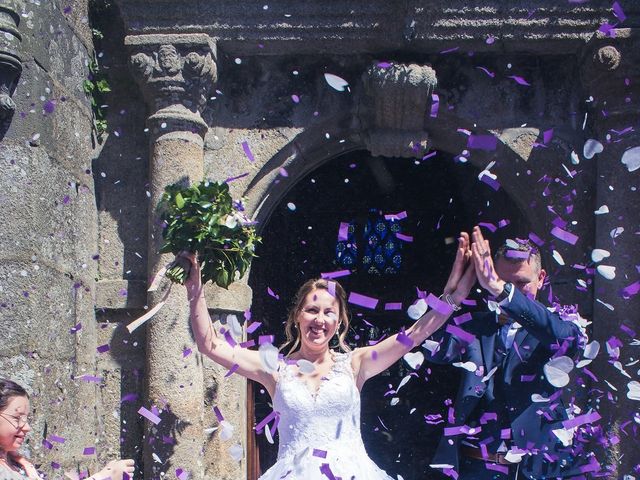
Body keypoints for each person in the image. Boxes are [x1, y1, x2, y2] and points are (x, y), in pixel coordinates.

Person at [182, 233, 477, 479]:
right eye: (311, 310)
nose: (319, 319)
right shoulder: (273, 369)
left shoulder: (356, 363)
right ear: (297, 315)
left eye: (328, 312)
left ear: (339, 321)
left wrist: (451, 299)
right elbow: (211, 345)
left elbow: (412, 336)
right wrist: (195, 289)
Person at [427, 226, 587, 480]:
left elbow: (565, 341)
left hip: (540, 470)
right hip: (478, 467)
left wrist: (502, 291)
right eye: (503, 282)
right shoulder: (471, 324)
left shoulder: (561, 323)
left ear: (541, 278)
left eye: (521, 283)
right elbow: (431, 351)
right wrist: (449, 298)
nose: (508, 290)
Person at [0, 379, 135, 480]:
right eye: (17, 418)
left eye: (26, 419)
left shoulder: (15, 462)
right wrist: (106, 476)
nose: (27, 427)